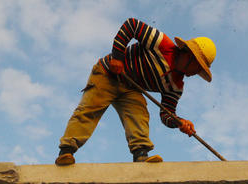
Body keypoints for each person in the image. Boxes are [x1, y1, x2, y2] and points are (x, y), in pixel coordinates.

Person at [55, 17, 216, 165]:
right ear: (189, 56)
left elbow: (166, 114)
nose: (197, 73)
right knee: (90, 109)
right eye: (199, 67)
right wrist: (117, 57)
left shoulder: (176, 86)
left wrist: (179, 122)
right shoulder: (162, 43)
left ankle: (140, 154)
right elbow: (131, 25)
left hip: (130, 88)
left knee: (139, 113)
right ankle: (67, 150)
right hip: (108, 74)